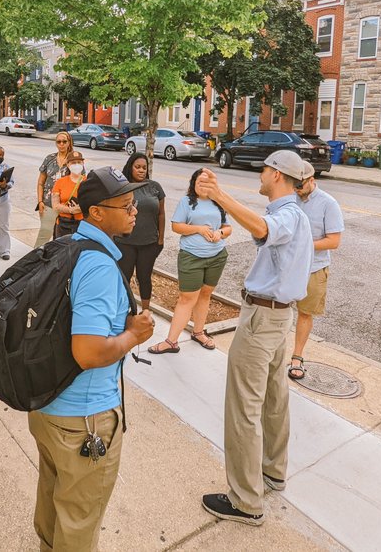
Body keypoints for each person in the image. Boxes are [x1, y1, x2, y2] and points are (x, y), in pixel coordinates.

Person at [27, 166, 155, 550]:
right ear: (96, 212)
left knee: (54, 494)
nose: (136, 211)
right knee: (80, 518)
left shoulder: (69, 246)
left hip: (49, 406)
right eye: (127, 205)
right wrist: (133, 334)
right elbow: (88, 351)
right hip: (84, 422)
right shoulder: (98, 265)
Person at [195, 151, 313, 526]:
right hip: (279, 318)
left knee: (244, 406)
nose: (260, 175)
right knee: (275, 399)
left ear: (276, 175)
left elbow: (262, 228)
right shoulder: (295, 213)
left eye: (264, 170)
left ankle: (246, 501)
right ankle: (273, 471)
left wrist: (219, 195)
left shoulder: (288, 215)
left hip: (262, 319)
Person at [149, 168, 232, 354]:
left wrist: (220, 233)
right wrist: (199, 229)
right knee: (187, 299)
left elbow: (228, 228)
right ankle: (171, 342)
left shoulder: (219, 202)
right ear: (193, 184)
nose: (203, 185)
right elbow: (176, 226)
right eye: (199, 181)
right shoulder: (186, 202)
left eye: (206, 181)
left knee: (205, 295)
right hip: (191, 257)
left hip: (217, 256)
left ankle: (198, 332)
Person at [287, 162, 344, 380]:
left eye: (300, 185)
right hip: (287, 266)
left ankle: (297, 357)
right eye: (294, 185)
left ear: (312, 180)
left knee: (304, 312)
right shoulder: (290, 198)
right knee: (278, 309)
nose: (297, 189)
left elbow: (334, 241)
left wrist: (302, 244)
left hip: (313, 267)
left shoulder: (328, 204)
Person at [116, 152, 166, 312]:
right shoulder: (123, 187)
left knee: (144, 278)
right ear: (130, 167)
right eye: (137, 167)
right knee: (124, 277)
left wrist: (161, 239)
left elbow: (161, 214)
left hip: (149, 243)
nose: (141, 170)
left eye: (144, 167)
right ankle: (123, 310)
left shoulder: (155, 187)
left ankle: (145, 312)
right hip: (125, 243)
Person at [35, 131, 73, 247]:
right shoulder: (49, 159)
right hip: (48, 203)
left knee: (61, 237)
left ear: (69, 143)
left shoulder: (74, 160)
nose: (61, 144)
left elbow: (80, 181)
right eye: (58, 142)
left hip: (66, 205)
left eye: (64, 141)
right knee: (45, 233)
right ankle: (36, 258)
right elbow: (41, 182)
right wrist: (40, 201)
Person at [50, 150, 86, 239]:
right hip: (63, 225)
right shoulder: (60, 182)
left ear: (83, 163)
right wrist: (71, 210)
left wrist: (82, 208)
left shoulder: (88, 181)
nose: (76, 165)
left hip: (82, 225)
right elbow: (55, 206)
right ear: (68, 164)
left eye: (79, 162)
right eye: (73, 162)